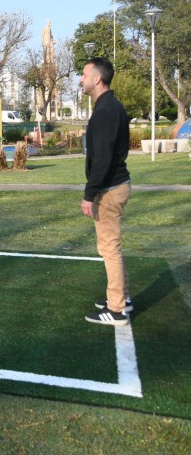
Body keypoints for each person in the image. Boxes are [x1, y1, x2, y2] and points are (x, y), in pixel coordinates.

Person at [79, 57, 132, 326]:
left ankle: (117, 309)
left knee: (109, 248)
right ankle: (121, 296)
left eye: (85, 74)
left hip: (110, 189)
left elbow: (102, 158)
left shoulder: (105, 111)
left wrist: (89, 195)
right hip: (114, 185)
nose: (81, 79)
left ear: (97, 78)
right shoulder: (110, 106)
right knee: (113, 247)